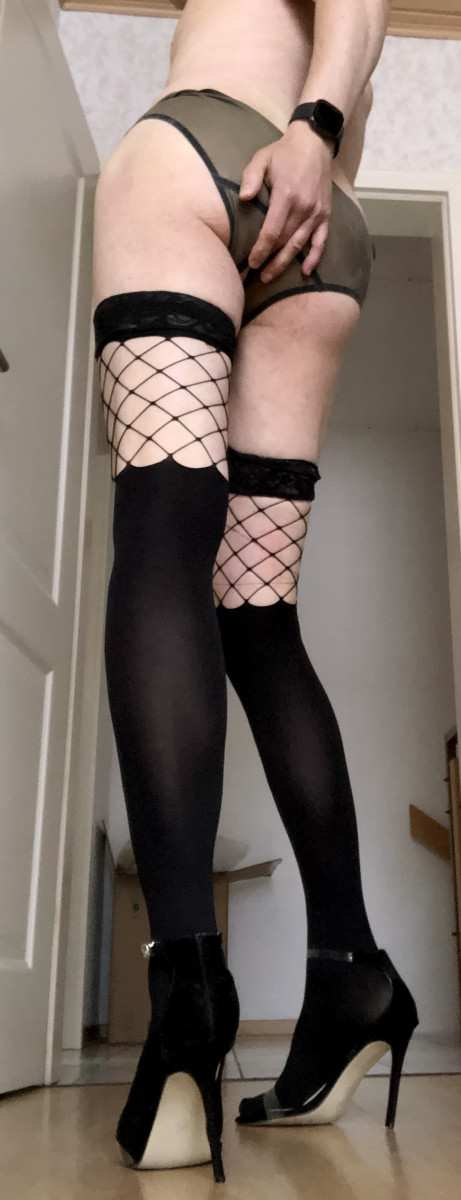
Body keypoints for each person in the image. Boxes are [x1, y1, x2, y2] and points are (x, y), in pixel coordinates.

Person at [92, 0, 418, 1182]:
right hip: (321, 228)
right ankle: (351, 972)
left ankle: (184, 990)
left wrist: (308, 124)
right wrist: (320, 136)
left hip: (213, 151)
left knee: (162, 547)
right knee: (256, 621)